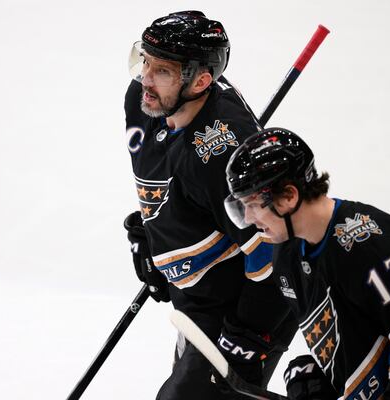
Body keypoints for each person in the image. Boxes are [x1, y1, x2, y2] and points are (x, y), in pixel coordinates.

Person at [224, 127, 390, 400]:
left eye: (252, 204)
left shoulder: (373, 247)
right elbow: (354, 340)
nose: (250, 219)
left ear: (289, 196)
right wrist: (318, 379)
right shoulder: (286, 259)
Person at [122, 11, 297, 399]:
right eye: (144, 61)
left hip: (246, 307)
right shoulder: (145, 100)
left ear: (201, 81)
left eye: (161, 71)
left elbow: (275, 249)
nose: (145, 79)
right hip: (199, 299)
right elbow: (169, 179)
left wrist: (247, 335)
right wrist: (153, 234)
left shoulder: (224, 155)